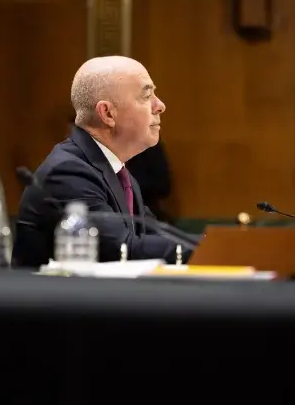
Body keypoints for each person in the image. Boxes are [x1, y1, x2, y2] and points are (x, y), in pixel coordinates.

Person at [13, 55, 191, 267]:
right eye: (146, 96)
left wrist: (217, 246)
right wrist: (210, 251)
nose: (160, 105)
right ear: (107, 113)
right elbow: (121, 248)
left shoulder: (118, 172)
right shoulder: (69, 173)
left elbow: (157, 235)